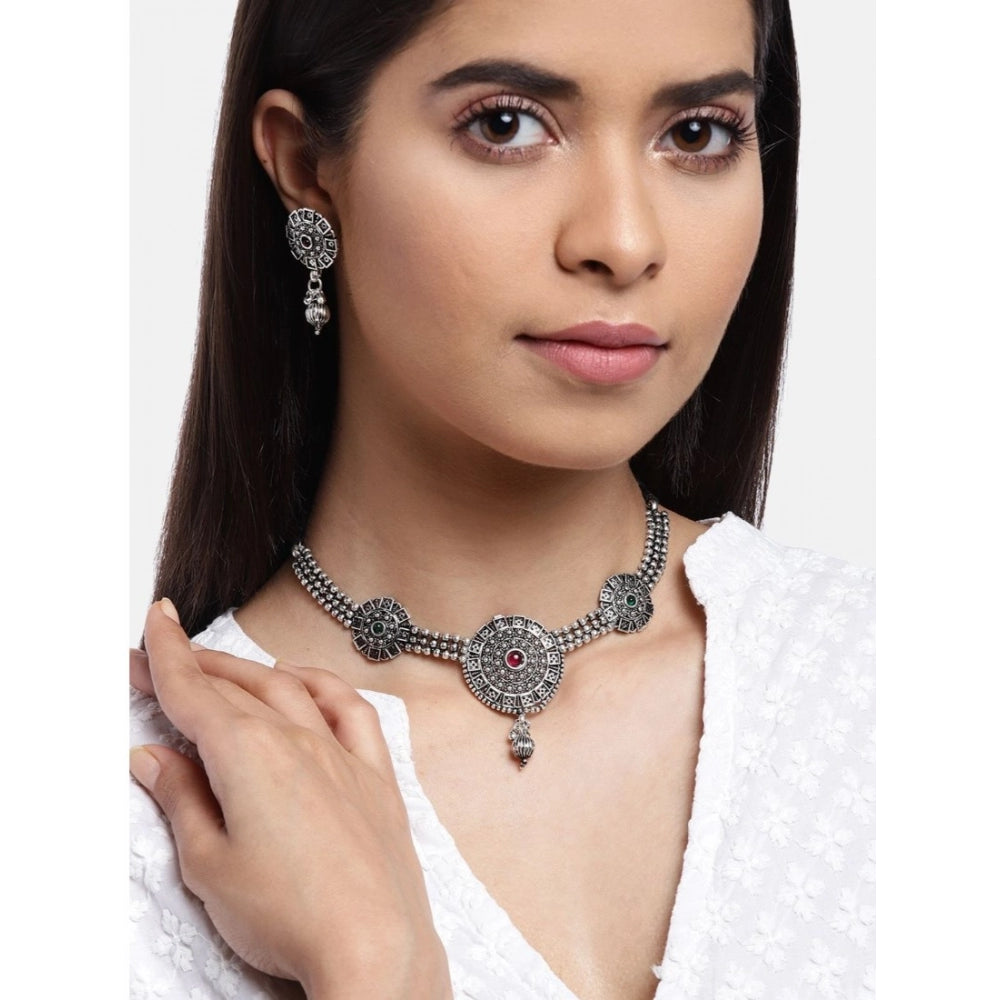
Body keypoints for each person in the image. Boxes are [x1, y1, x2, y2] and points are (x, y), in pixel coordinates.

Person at [129, 0, 874, 997]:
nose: (623, 240)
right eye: (507, 123)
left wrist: (377, 972)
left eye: (697, 134)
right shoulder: (131, 831)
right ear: (306, 165)